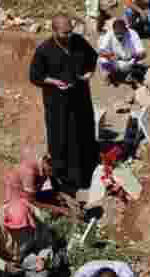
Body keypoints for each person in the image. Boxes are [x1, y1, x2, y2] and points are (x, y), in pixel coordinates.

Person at [29, 15, 99, 196]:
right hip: (58, 104)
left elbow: (92, 59)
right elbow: (35, 76)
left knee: (84, 133)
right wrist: (53, 82)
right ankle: (67, 182)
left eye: (70, 31)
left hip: (80, 98)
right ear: (54, 31)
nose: (69, 35)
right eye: (65, 33)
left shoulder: (78, 41)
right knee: (62, 140)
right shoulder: (44, 50)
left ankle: (88, 173)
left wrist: (89, 73)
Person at [0, 199, 68, 277]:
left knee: (46, 269)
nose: (20, 231)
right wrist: (5, 266)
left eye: (23, 228)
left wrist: (42, 258)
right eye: (16, 229)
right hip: (3, 260)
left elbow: (46, 243)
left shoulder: (35, 216)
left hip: (24, 256)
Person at [97, 19, 147, 86]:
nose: (119, 36)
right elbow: (100, 51)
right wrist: (110, 55)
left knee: (139, 63)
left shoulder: (132, 34)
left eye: (121, 33)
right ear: (113, 30)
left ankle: (131, 75)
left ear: (126, 30)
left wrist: (135, 56)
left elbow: (142, 52)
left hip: (130, 61)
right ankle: (110, 76)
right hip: (114, 60)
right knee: (102, 60)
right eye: (116, 34)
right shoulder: (109, 34)